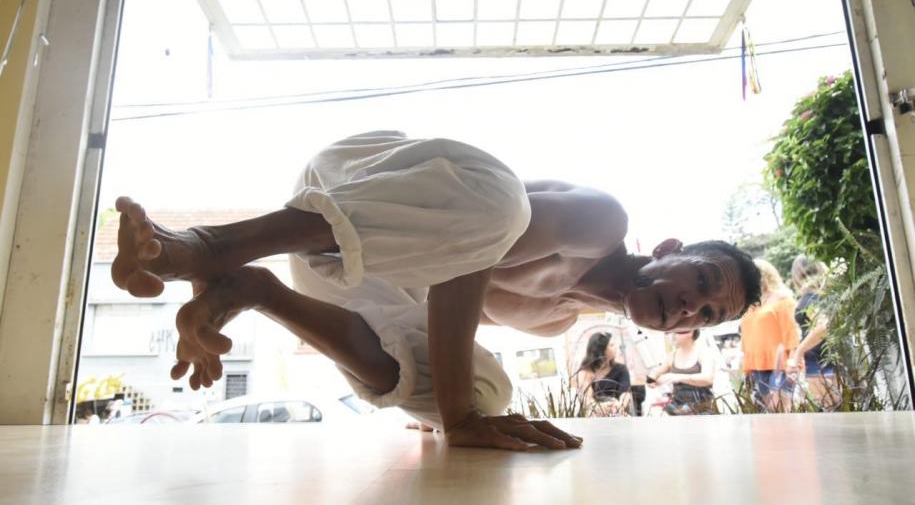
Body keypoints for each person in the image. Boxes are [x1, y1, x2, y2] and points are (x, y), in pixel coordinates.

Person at [112, 131, 762, 450]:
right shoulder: (603, 224)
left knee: (490, 388)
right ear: (673, 250)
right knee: (498, 206)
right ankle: (209, 245)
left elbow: (438, 311)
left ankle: (253, 290)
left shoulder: (552, 326)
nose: (688, 306)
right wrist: (455, 414)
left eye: (704, 315)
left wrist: (446, 408)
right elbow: (465, 257)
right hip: (354, 188)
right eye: (700, 282)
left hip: (340, 268)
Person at [739, 259, 800, 411]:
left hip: (781, 363)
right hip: (757, 365)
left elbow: (792, 331)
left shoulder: (783, 299)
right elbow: (746, 336)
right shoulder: (750, 303)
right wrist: (746, 366)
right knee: (771, 410)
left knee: (782, 408)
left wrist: (793, 361)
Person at [786, 255, 836, 407]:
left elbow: (822, 326)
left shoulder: (810, 298)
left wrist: (799, 351)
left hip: (821, 364)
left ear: (797, 274)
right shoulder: (827, 295)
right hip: (836, 361)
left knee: (832, 414)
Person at [648, 330, 715, 415]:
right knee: (656, 412)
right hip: (677, 405)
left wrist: (677, 377)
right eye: (671, 332)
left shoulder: (704, 353)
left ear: (690, 332)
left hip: (701, 406)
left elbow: (708, 378)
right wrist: (651, 379)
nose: (672, 335)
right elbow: (657, 372)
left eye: (676, 332)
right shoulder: (672, 355)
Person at [573, 332, 631, 416]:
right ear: (601, 350)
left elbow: (625, 393)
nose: (616, 348)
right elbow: (587, 398)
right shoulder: (585, 372)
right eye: (611, 345)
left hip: (617, 412)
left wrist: (621, 404)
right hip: (593, 414)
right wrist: (599, 407)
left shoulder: (621, 369)